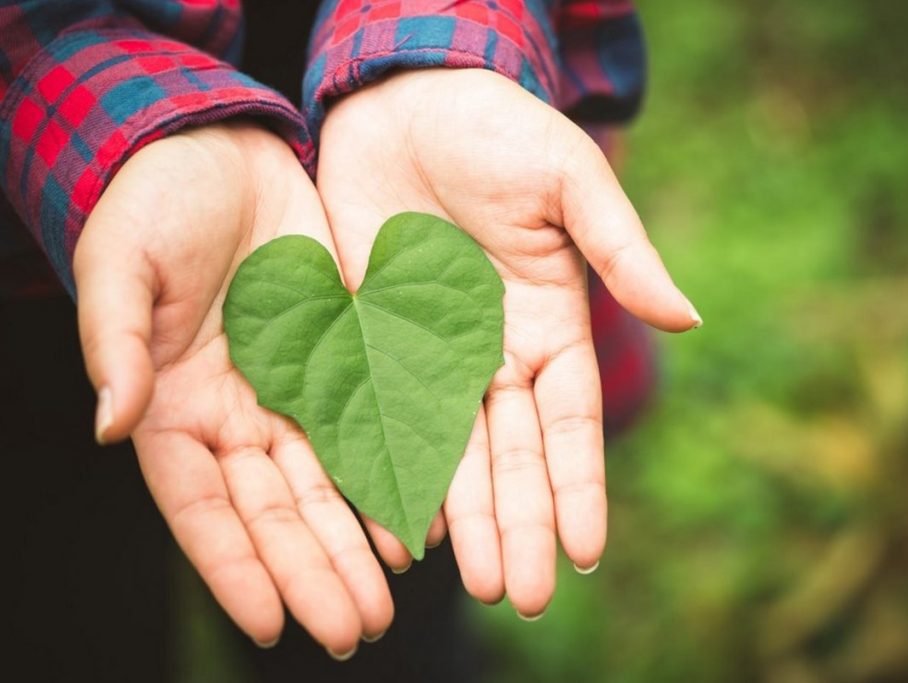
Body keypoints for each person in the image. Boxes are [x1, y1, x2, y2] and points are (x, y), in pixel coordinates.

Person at [0, 1, 700, 679]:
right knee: (69, 609)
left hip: (367, 139)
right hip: (48, 284)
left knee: (394, 618)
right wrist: (99, 113)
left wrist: (432, 51)